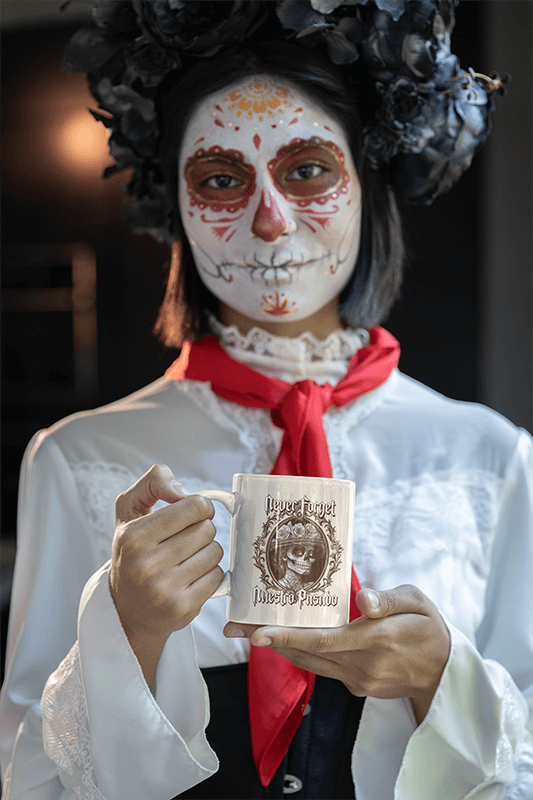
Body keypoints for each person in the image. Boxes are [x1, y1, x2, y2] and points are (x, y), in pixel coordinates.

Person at [1, 2, 532, 798]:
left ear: (365, 184)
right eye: (220, 179)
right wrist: (128, 636)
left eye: (307, 169)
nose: (269, 219)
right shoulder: (77, 456)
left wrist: (440, 680)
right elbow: (28, 774)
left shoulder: (488, 455)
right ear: (177, 205)